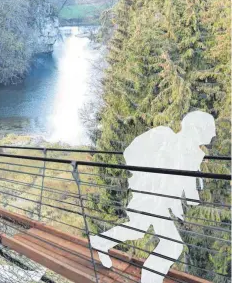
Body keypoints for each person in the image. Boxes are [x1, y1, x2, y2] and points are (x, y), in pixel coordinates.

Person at [90, 111, 216, 283]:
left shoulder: (194, 154)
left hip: (160, 202)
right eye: (209, 129)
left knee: (142, 231)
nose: (213, 133)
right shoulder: (166, 138)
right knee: (164, 242)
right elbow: (135, 156)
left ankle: (101, 242)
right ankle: (147, 277)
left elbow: (191, 192)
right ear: (196, 129)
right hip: (150, 197)